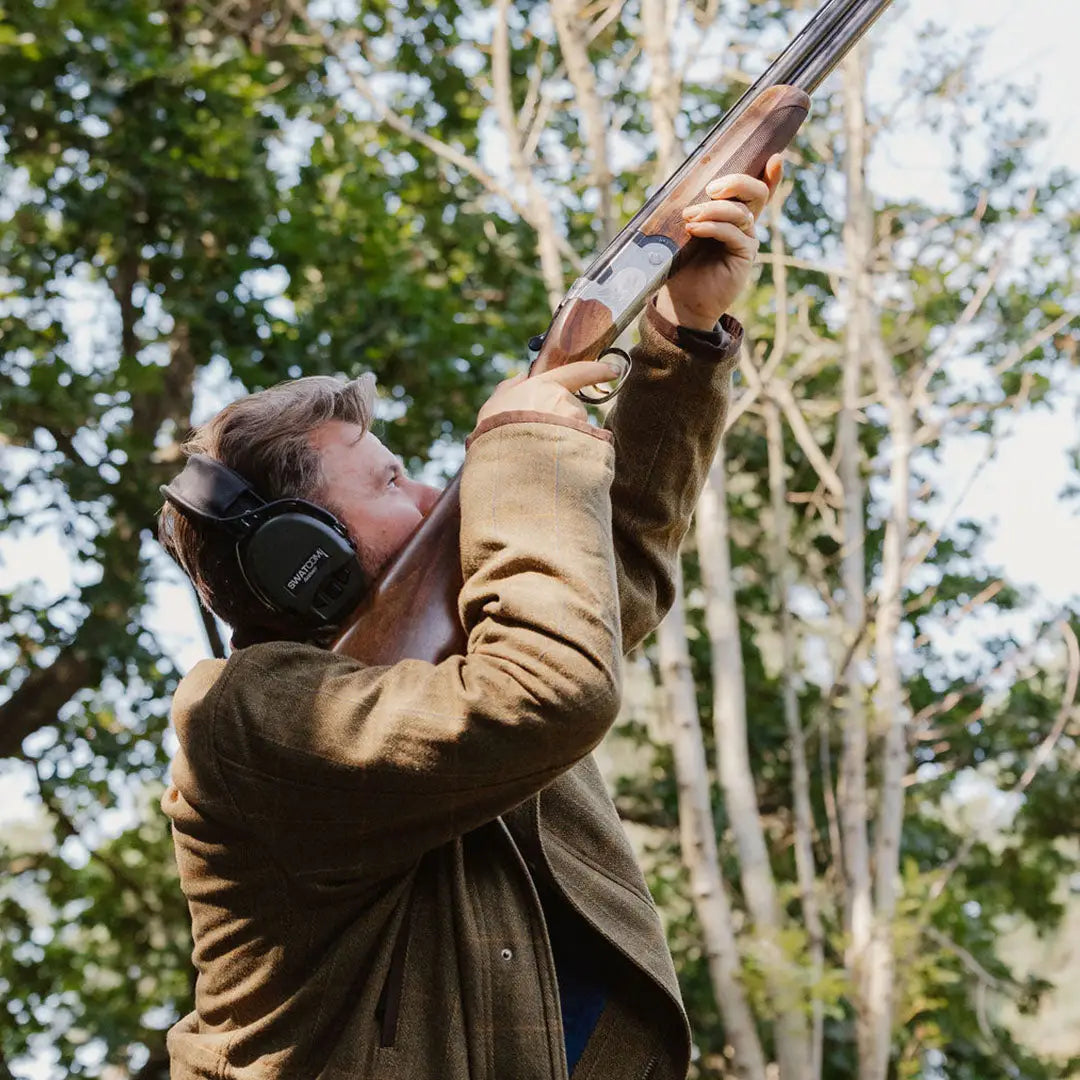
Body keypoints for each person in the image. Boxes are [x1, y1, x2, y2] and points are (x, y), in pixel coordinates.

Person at [158, 157, 784, 1080]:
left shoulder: (449, 664)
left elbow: (616, 580)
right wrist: (522, 441)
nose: (425, 493)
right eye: (386, 479)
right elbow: (552, 689)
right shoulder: (241, 719)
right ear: (304, 554)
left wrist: (680, 339)